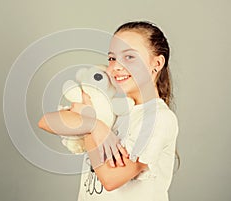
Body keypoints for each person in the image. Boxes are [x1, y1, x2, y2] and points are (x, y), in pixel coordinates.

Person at [38, 21, 179, 201]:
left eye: (129, 57)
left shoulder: (159, 118)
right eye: (112, 58)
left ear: (157, 63)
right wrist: (95, 125)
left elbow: (110, 180)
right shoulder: (112, 106)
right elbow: (46, 122)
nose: (116, 67)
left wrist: (88, 124)